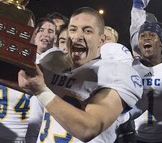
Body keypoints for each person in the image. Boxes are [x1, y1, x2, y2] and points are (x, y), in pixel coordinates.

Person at [18, 7, 143, 142]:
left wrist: (42, 92)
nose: (77, 36)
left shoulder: (115, 72)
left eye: (87, 30)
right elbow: (18, 78)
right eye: (73, 29)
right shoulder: (53, 61)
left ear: (101, 40)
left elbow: (88, 129)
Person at [129, 21, 162, 143]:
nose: (147, 37)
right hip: (138, 138)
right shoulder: (130, 68)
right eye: (142, 36)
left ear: (161, 43)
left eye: (152, 35)